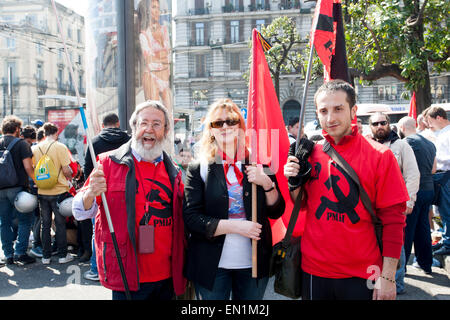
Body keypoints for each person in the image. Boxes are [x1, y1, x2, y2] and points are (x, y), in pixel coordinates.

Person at [284, 80, 408, 300]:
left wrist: (388, 277)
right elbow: (301, 205)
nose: (330, 118)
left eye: (338, 109)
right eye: (323, 110)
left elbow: (393, 220)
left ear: (353, 110)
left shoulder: (380, 156)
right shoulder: (308, 154)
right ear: (317, 113)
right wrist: (293, 182)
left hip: (363, 273)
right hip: (314, 270)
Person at [72, 100, 186, 300]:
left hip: (167, 275)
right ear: (134, 127)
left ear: (166, 131)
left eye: (156, 124)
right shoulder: (108, 163)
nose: (149, 130)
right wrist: (90, 193)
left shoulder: (174, 170)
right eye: (144, 123)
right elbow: (80, 211)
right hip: (128, 275)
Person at [183, 98, 285, 300]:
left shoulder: (258, 162)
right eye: (218, 123)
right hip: (211, 266)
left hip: (253, 264)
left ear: (240, 125)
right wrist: (237, 227)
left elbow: (276, 210)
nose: (225, 127)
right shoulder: (199, 168)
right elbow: (192, 218)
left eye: (231, 121)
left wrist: (266, 183)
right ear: (210, 130)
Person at [369, 112, 420, 294]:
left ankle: (397, 282)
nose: (380, 126)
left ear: (389, 124)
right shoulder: (368, 146)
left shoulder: (402, 145)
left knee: (396, 243)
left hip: (397, 203)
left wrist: (409, 200)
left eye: (383, 122)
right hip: (373, 207)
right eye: (376, 123)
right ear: (371, 127)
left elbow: (412, 175)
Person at [82, 112, 130, 281]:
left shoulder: (94, 141)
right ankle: (126, 268)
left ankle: (97, 269)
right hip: (126, 192)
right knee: (127, 229)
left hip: (101, 191)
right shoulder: (129, 140)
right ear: (118, 124)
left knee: (99, 230)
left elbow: (87, 169)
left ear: (102, 126)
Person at [398, 116, 437, 274]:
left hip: (414, 191)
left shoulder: (406, 143)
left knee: (408, 230)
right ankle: (425, 263)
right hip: (429, 189)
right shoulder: (430, 143)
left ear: (402, 127)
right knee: (423, 228)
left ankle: (402, 268)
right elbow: (434, 169)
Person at [32, 122, 74, 264]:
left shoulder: (36, 148)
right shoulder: (60, 147)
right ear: (56, 133)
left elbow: (34, 168)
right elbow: (66, 169)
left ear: (44, 133)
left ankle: (46, 256)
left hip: (42, 190)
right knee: (60, 223)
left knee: (45, 223)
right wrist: (70, 176)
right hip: (59, 190)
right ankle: (62, 255)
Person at [0, 116, 37, 266]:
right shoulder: (21, 144)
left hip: (0, 189)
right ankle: (20, 252)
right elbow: (28, 167)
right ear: (16, 129)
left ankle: (8, 254)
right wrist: (36, 181)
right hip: (18, 189)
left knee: (4, 222)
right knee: (24, 220)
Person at [423, 106, 450, 256]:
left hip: (446, 174)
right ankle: (445, 238)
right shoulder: (442, 133)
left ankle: (448, 242)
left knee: (447, 210)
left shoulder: (448, 133)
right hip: (442, 176)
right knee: (442, 211)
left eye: (430, 121)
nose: (429, 125)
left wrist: (434, 158)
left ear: (439, 118)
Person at [138, 0, 172, 114]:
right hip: (151, 75)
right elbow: (149, 59)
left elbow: (168, 55)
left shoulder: (165, 30)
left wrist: (159, 56)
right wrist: (162, 57)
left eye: (158, 8)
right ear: (147, 11)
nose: (157, 11)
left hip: (164, 76)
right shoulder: (144, 34)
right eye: (153, 7)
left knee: (168, 114)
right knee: (153, 113)